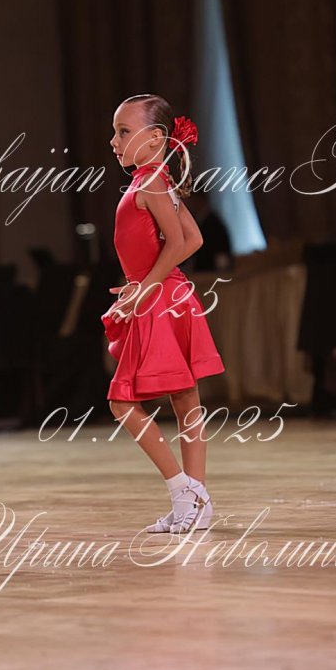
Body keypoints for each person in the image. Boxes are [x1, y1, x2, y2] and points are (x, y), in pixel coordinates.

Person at [102, 94, 225, 534]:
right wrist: (142, 283)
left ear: (155, 138)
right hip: (165, 294)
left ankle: (183, 491)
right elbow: (193, 240)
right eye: (115, 132)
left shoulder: (152, 181)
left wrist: (146, 287)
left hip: (160, 299)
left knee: (122, 401)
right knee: (185, 398)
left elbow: (178, 243)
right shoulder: (154, 179)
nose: (114, 141)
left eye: (123, 131)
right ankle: (196, 502)